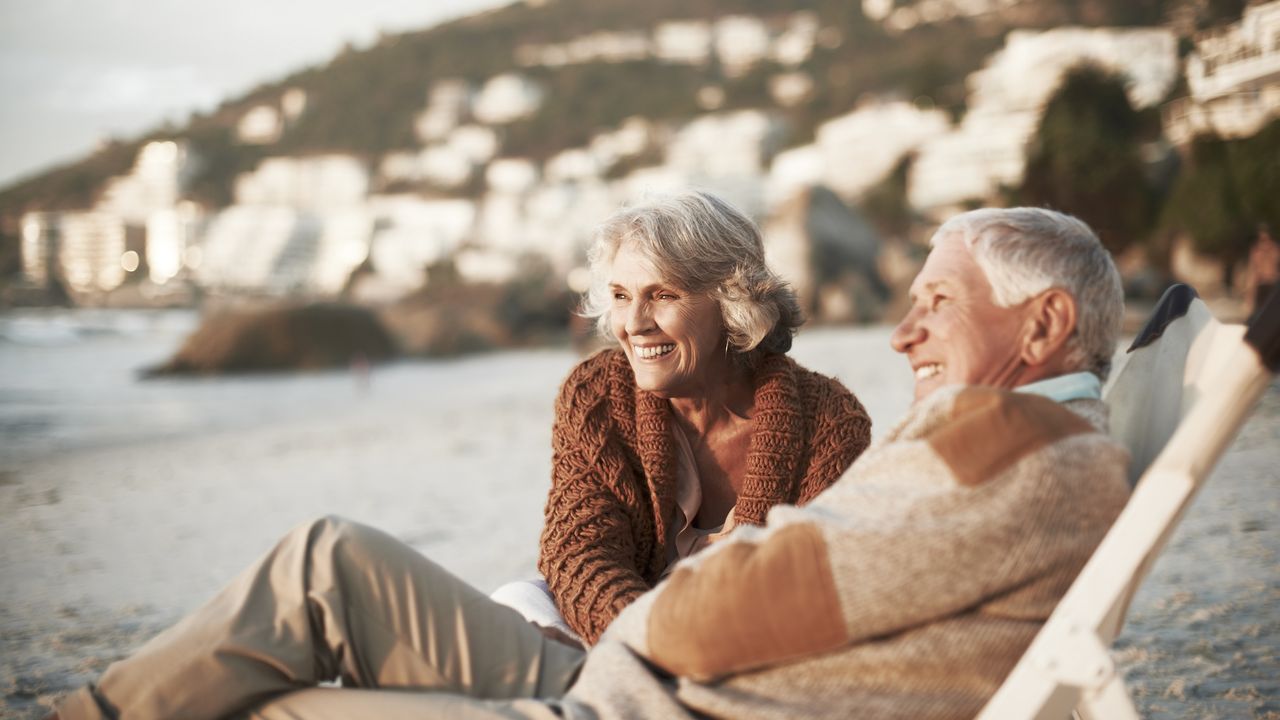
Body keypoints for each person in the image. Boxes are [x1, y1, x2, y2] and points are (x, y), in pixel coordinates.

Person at [51, 206, 1131, 720]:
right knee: (322, 558)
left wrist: (660, 621)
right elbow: (579, 550)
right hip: (628, 665)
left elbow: (768, 596)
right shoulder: (1024, 452)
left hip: (647, 693)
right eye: (616, 297)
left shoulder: (980, 446)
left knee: (268, 710)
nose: (905, 335)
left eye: (933, 304)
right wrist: (640, 622)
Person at [497, 191, 871, 644]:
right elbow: (579, 553)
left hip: (748, 647)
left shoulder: (828, 420)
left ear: (733, 302)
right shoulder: (596, 393)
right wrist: (653, 645)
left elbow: (816, 583)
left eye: (663, 295)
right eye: (620, 295)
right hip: (631, 637)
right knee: (515, 601)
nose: (634, 323)